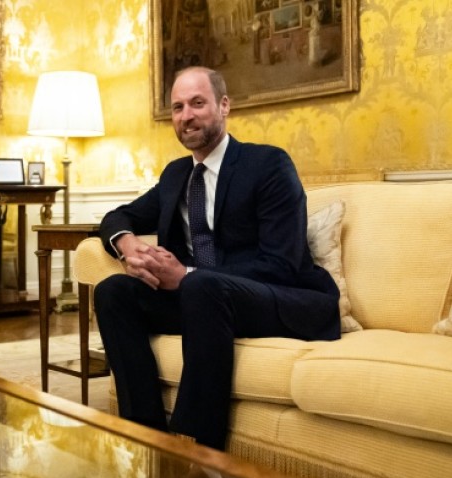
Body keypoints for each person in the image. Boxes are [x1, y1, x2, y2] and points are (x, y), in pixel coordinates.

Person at [93, 67, 340, 451]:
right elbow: (118, 216)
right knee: (114, 292)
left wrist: (186, 273)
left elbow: (282, 263)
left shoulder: (269, 165)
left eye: (197, 103)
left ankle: (197, 449)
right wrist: (127, 246)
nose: (186, 115)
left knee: (200, 284)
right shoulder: (176, 175)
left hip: (279, 297)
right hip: (203, 301)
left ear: (224, 106)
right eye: (177, 107)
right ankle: (145, 438)